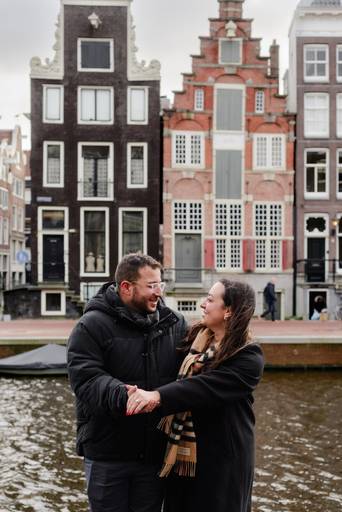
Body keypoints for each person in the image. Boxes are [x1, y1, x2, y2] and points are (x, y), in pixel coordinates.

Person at [126, 279, 264, 512]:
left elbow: (203, 388)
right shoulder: (196, 339)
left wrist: (156, 396)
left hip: (223, 461)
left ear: (228, 311)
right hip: (185, 457)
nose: (203, 304)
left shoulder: (249, 357)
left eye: (210, 300)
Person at [67, 253, 187, 512]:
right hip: (108, 454)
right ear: (126, 287)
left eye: (160, 284)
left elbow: (192, 373)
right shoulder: (90, 326)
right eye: (151, 285)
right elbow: (85, 378)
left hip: (153, 454)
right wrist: (123, 395)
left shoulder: (175, 324)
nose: (159, 292)